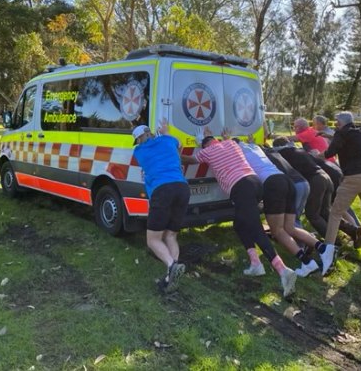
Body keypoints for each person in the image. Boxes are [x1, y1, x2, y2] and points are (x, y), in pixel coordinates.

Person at [181, 128, 297, 297]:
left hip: (241, 188)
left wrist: (174, 155)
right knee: (240, 223)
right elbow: (226, 141)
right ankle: (255, 263)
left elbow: (191, 160)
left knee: (255, 228)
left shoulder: (207, 151)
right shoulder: (230, 144)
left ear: (204, 144)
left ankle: (283, 270)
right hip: (256, 183)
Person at [235, 137, 331, 278]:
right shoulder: (254, 147)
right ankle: (323, 248)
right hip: (287, 180)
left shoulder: (238, 151)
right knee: (290, 228)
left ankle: (307, 263)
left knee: (277, 231)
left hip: (272, 184)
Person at [132, 120, 190, 293]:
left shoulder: (138, 151)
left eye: (138, 139)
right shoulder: (168, 140)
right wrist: (165, 132)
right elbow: (178, 146)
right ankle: (170, 277)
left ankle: (172, 266)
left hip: (162, 190)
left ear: (140, 138)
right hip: (182, 188)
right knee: (171, 235)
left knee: (153, 240)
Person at [323, 111, 361, 264]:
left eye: (336, 122)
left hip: (354, 177)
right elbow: (347, 139)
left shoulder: (341, 135)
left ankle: (328, 252)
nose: (335, 125)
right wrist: (331, 135)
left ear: (339, 123)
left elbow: (329, 153)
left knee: (335, 213)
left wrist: (317, 154)